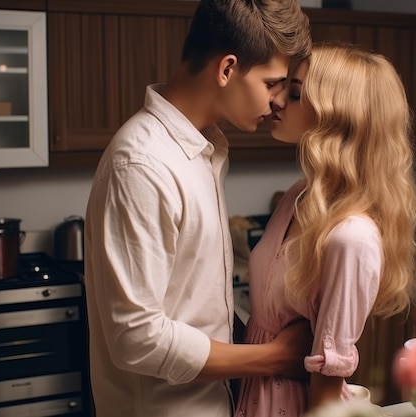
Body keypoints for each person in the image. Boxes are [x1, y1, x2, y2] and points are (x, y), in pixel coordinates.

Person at [83, 1, 312, 416]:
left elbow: (194, 304)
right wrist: (275, 356)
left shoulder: (203, 150)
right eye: (272, 83)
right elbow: (136, 338)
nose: (278, 101)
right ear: (226, 69)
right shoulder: (143, 165)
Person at [234, 41, 416, 417]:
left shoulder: (351, 237)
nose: (276, 101)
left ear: (337, 115)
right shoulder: (297, 196)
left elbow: (326, 386)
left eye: (295, 93)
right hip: (252, 394)